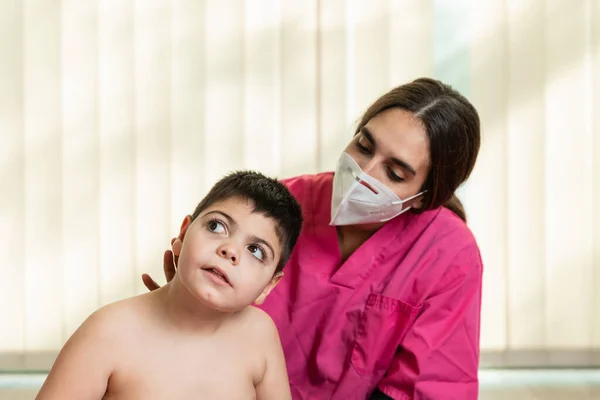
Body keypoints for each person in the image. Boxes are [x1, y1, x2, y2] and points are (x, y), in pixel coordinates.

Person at [143, 77, 484, 399]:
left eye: (394, 173)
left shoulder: (449, 255)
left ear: (426, 196)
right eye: (364, 146)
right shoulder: (280, 209)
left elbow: (428, 387)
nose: (364, 172)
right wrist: (184, 309)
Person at [36, 171, 304, 400]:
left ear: (269, 285)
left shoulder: (259, 335)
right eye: (216, 226)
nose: (230, 250)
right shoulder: (109, 332)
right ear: (183, 234)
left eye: (255, 250)